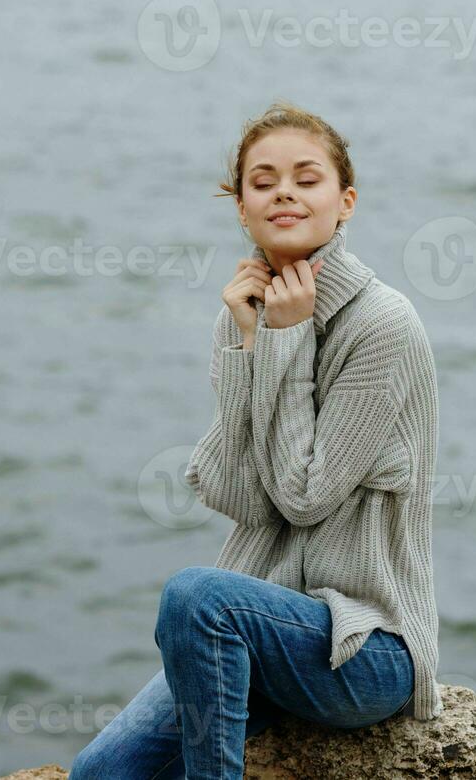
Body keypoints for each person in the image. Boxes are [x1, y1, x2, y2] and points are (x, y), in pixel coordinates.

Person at [71, 101, 442, 780]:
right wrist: (252, 343)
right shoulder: (246, 312)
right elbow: (238, 492)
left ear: (346, 200)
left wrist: (287, 340)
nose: (285, 193)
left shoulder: (384, 325)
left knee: (193, 596)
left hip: (367, 646)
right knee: (99, 774)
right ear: (241, 207)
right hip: (263, 630)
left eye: (307, 177)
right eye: (263, 181)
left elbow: (303, 499)